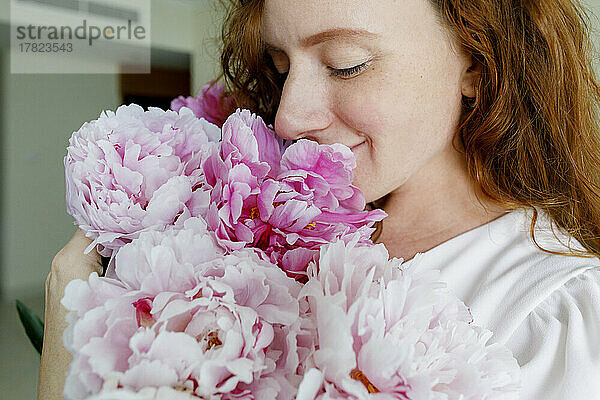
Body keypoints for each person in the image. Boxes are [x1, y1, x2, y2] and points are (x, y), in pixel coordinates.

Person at [39, 0, 600, 398]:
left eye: (345, 63)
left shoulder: (549, 319)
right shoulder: (264, 230)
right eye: (281, 68)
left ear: (477, 63)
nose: (288, 116)